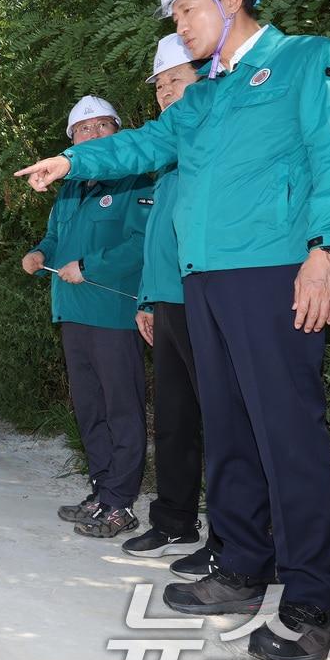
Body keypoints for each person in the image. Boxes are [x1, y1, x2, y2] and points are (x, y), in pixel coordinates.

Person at [13, 0, 330, 660]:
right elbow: (142, 144)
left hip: (274, 270)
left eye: (185, 8)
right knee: (231, 434)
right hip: (202, 279)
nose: (179, 25)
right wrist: (72, 161)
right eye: (174, 14)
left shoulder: (307, 59)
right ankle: (242, 566)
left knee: (286, 436)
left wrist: (324, 251)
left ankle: (311, 605)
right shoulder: (204, 97)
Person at [22, 95, 153, 539]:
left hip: (114, 315)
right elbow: (55, 237)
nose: (93, 135)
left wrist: (92, 267)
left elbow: (141, 243)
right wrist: (41, 253)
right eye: (84, 130)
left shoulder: (137, 181)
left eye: (102, 127)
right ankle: (101, 491)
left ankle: (121, 505)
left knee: (122, 410)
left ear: (118, 131)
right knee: (90, 409)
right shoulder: (71, 189)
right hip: (72, 315)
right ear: (71, 141)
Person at [119, 34, 225, 580]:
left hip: (208, 300)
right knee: (177, 421)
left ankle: (232, 539)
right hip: (166, 302)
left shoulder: (211, 142)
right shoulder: (167, 158)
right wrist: (145, 300)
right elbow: (155, 239)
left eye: (173, 80)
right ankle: (175, 519)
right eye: (159, 85)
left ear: (204, 77)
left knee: (225, 422)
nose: (164, 92)